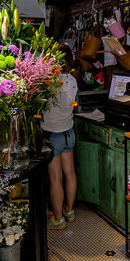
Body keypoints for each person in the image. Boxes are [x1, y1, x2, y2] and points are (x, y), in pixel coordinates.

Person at [42, 44, 78, 230]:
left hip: (53, 135)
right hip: (69, 133)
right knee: (70, 174)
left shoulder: (49, 82)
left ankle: (57, 219)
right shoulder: (72, 79)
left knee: (56, 178)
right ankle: (69, 211)